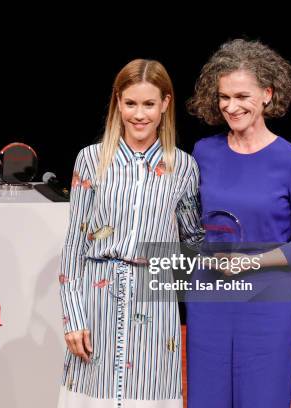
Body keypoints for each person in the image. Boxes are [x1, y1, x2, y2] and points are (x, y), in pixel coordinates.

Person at [185, 38, 291, 407]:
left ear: (267, 94)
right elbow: (187, 219)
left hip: (267, 302)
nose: (231, 107)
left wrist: (252, 261)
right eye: (223, 97)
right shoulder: (204, 152)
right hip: (209, 300)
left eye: (242, 96)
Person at [57, 59, 204, 407]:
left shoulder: (183, 166)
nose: (140, 114)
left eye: (149, 104)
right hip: (98, 298)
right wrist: (73, 318)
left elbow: (193, 242)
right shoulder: (91, 159)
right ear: (118, 103)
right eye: (131, 103)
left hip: (156, 298)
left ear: (165, 104)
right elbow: (74, 244)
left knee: (149, 392)